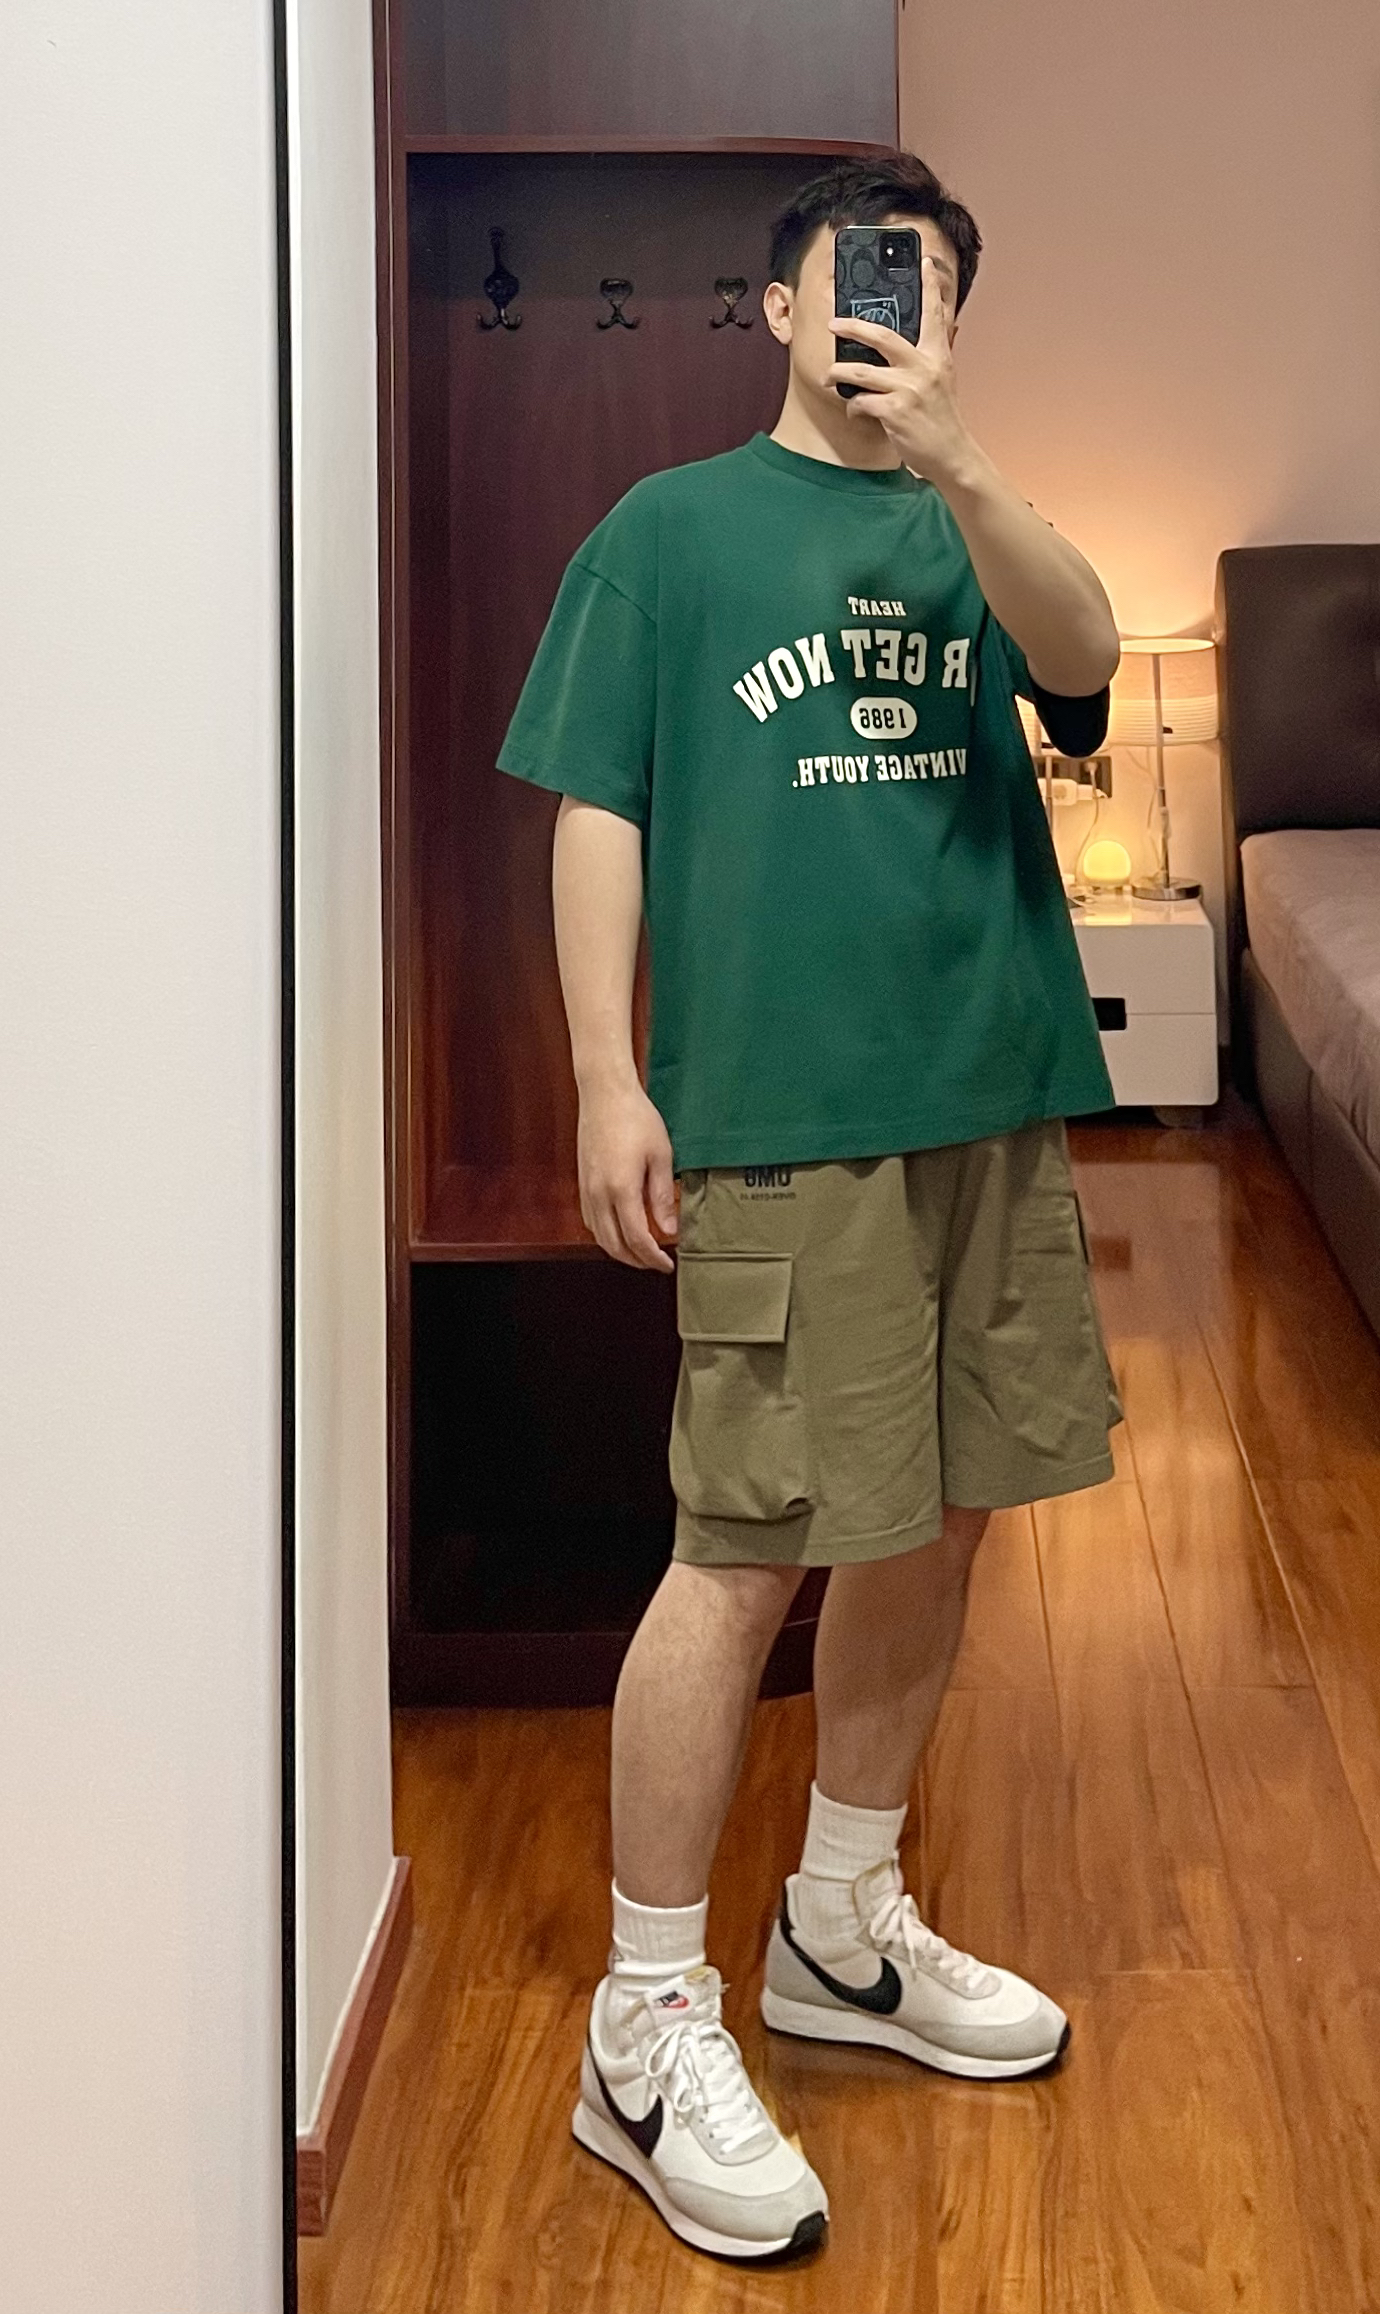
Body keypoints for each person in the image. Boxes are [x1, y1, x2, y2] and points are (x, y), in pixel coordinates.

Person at [495, 149, 1124, 2263]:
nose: (881, 312)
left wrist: (960, 458)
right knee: (745, 1544)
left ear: (950, 327)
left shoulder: (975, 524)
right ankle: (645, 2012)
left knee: (942, 1513)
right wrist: (608, 1072)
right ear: (778, 308)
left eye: (922, 288)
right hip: (777, 1113)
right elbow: (597, 805)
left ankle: (840, 1920)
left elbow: (1084, 657)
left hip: (991, 1094)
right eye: (857, 280)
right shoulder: (666, 532)